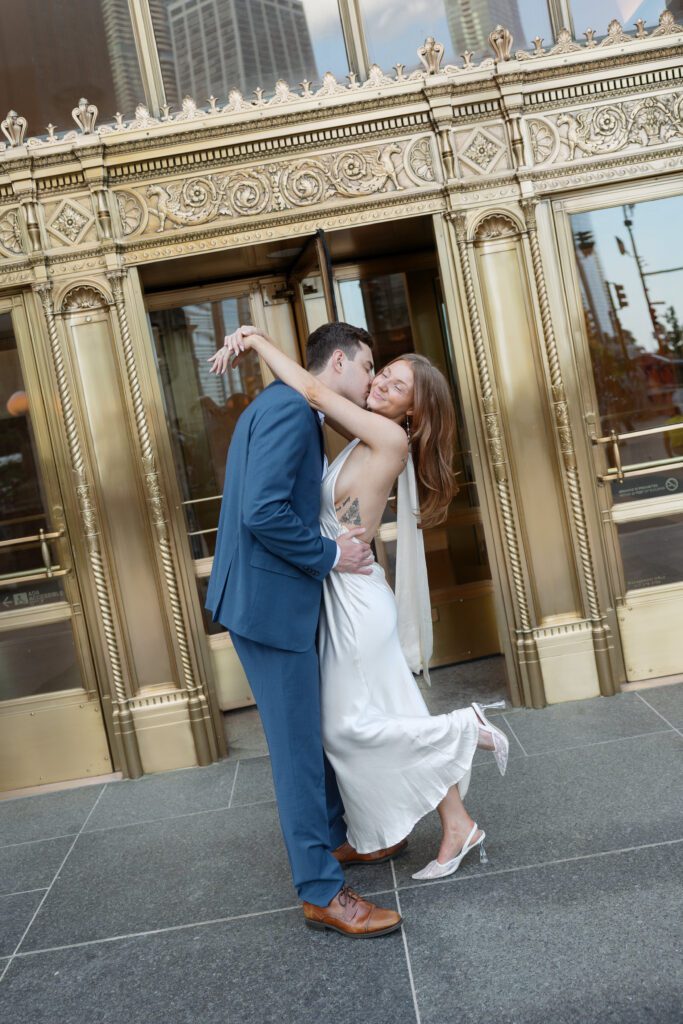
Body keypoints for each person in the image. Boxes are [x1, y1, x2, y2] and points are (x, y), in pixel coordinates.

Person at [211, 324, 509, 894]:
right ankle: (458, 824)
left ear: (412, 414)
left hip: (354, 597)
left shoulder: (388, 439)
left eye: (393, 384)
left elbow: (318, 391)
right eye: (381, 371)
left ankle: (464, 728)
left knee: (345, 727)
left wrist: (256, 341)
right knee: (389, 705)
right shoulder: (360, 437)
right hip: (341, 587)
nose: (379, 384)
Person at [205, 322, 404, 939]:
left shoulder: (281, 403)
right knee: (295, 752)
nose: (371, 378)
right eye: (368, 366)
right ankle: (321, 892)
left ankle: (339, 838)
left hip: (266, 600)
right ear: (338, 361)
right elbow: (260, 511)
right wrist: (330, 555)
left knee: (308, 736)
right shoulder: (293, 413)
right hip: (270, 607)